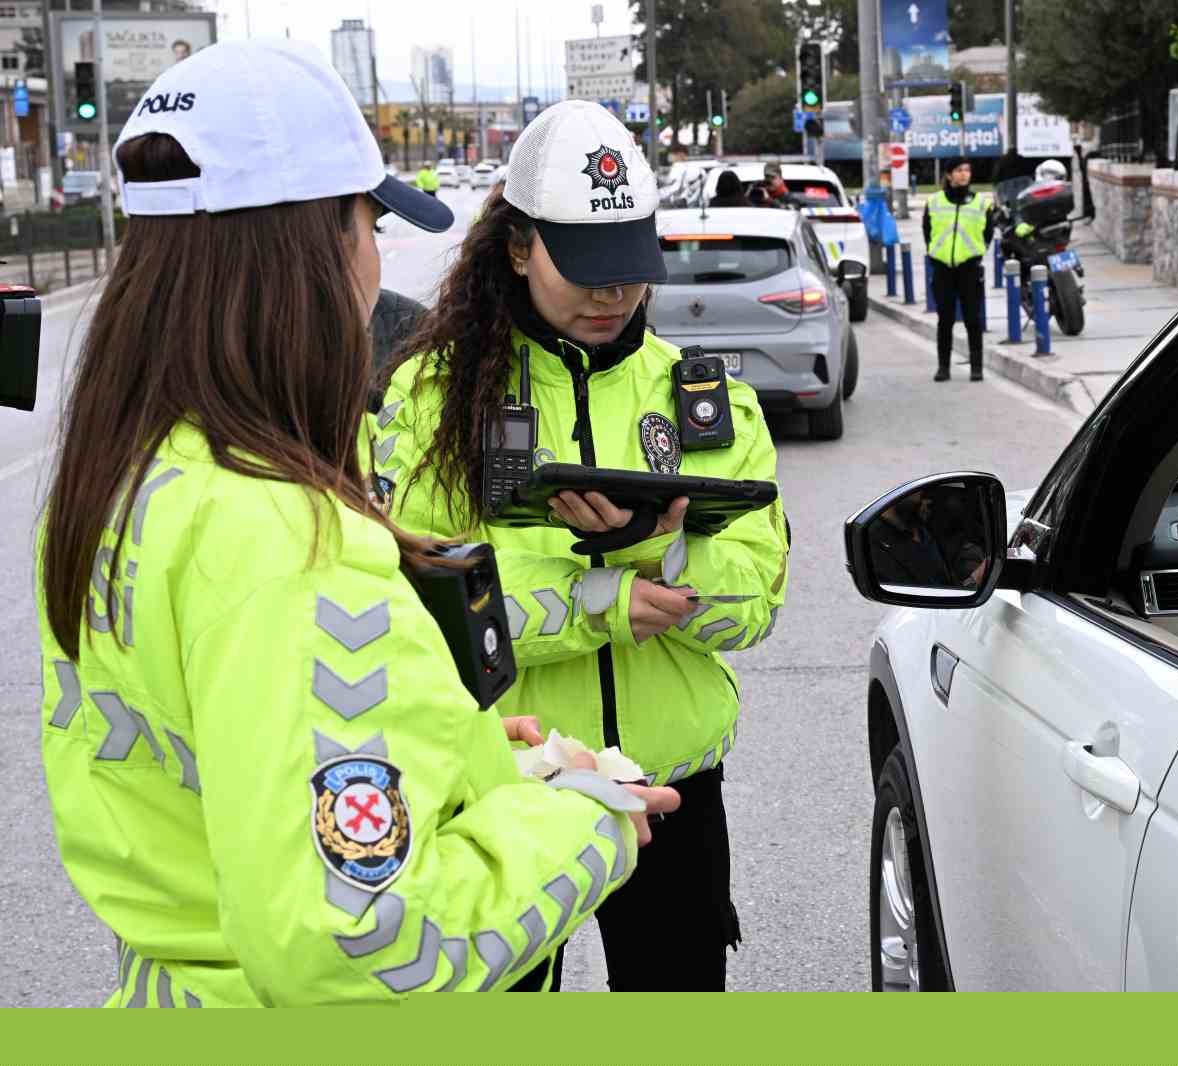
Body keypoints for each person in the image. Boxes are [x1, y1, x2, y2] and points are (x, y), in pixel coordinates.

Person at [34, 39, 679, 1008]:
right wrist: (584, 821)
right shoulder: (289, 545)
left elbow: (244, 774)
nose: (379, 263)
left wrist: (464, 755)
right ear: (311, 252)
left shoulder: (129, 485)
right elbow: (361, 941)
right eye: (369, 224)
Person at [375, 99, 790, 992]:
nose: (611, 294)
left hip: (674, 795)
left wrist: (660, 553)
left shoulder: (705, 401)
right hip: (505, 787)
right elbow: (427, 608)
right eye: (586, 268)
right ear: (520, 246)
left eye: (629, 269)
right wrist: (593, 603)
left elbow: (755, 603)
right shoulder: (433, 397)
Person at [922, 156, 994, 382]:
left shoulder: (981, 203)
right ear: (948, 174)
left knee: (973, 319)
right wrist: (937, 257)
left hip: (969, 267)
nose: (964, 174)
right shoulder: (934, 202)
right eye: (959, 170)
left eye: (967, 170)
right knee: (945, 319)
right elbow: (928, 232)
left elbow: (988, 234)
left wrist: (975, 255)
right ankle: (943, 367)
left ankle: (976, 367)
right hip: (942, 268)